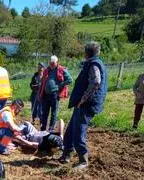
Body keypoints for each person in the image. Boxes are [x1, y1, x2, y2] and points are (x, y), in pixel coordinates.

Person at [59, 41, 107, 170]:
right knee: (70, 130)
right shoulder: (92, 63)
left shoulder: (94, 65)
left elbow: (96, 82)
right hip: (82, 104)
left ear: (86, 53)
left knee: (79, 131)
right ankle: (66, 154)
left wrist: (83, 99)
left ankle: (83, 160)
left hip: (87, 105)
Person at [38, 55, 72, 131]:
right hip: (46, 95)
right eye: (50, 63)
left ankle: (51, 129)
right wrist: (40, 94)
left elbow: (70, 80)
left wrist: (60, 85)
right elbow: (43, 82)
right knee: (44, 113)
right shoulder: (47, 70)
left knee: (53, 113)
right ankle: (43, 129)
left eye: (53, 63)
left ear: (57, 63)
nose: (51, 65)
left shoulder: (61, 70)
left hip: (55, 94)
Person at [132, 62, 144, 129]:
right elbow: (134, 87)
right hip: (139, 97)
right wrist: (137, 93)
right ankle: (135, 126)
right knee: (137, 112)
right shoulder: (141, 76)